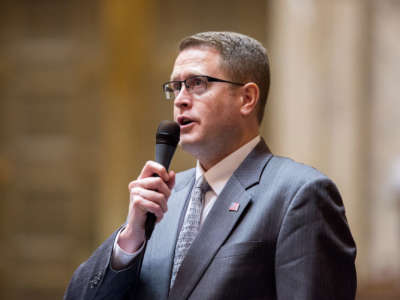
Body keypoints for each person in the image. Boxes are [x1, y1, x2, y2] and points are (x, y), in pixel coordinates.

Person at [64, 31, 357, 300]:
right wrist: (129, 240)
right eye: (176, 87)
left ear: (247, 98)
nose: (180, 100)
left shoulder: (299, 195)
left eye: (196, 84)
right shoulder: (162, 198)